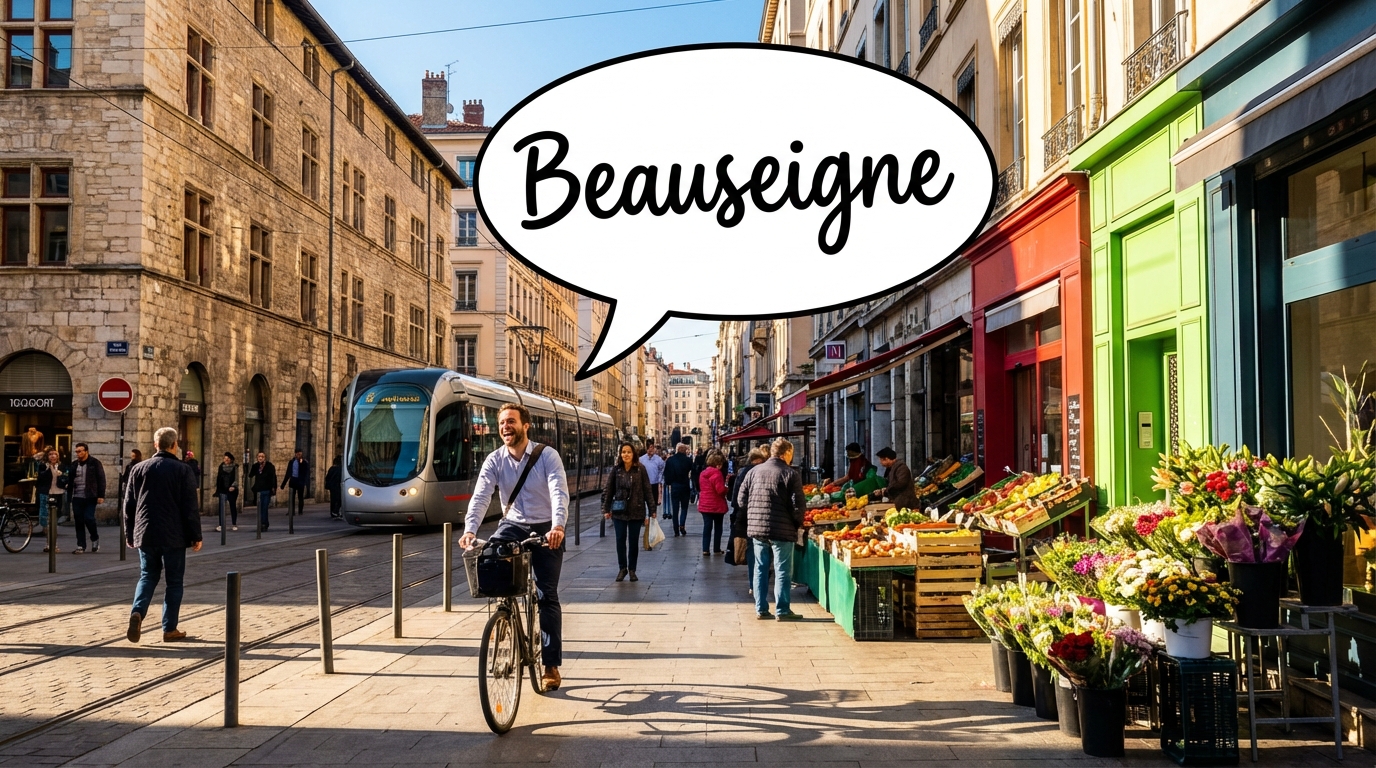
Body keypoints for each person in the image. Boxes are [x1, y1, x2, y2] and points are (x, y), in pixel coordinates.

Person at [460, 402, 570, 692]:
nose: (505, 427)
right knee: (491, 559)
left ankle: (550, 665)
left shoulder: (547, 456)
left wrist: (558, 526)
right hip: (513, 524)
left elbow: (559, 491)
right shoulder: (495, 460)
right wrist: (470, 529)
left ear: (525, 425)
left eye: (511, 421)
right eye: (502, 423)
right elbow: (481, 495)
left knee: (546, 595)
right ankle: (503, 619)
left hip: (546, 526)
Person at [124, 427, 202, 643]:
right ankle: (169, 629)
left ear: (155, 445)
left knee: (148, 575)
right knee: (174, 581)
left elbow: (128, 505)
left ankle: (137, 612)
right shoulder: (182, 470)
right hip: (174, 535)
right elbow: (190, 506)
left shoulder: (138, 469)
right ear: (174, 445)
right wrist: (196, 535)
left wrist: (129, 534)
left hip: (146, 533)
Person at [738, 438, 806, 621]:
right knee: (782, 569)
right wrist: (797, 522)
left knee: (760, 568)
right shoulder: (790, 474)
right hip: (782, 529)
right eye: (791, 454)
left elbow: (741, 500)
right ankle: (782, 610)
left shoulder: (754, 472)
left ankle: (761, 609)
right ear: (786, 454)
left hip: (757, 527)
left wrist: (754, 512)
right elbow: (798, 504)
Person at [602, 442, 655, 582]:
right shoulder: (616, 470)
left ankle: (632, 569)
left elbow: (647, 489)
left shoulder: (640, 469)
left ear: (633, 454)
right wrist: (606, 509)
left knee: (633, 542)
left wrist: (652, 509)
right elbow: (609, 490)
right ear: (620, 454)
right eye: (623, 452)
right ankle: (622, 568)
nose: (626, 455)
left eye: (629, 452)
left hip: (636, 510)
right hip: (619, 511)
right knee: (620, 540)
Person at [729, 448, 768, 588]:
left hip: (745, 516)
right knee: (762, 548)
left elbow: (737, 498)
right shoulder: (761, 472)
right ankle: (759, 581)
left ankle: (754, 583)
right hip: (760, 515)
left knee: (752, 548)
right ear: (759, 460)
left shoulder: (742, 472)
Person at [68, 442, 107, 554]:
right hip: (77, 496)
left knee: (89, 518)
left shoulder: (94, 463)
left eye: (80, 451)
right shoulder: (74, 464)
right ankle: (81, 545)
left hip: (91, 495)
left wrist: (101, 495)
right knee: (78, 520)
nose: (78, 453)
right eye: (76, 451)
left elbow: (101, 479)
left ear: (86, 451)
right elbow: (70, 480)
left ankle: (94, 538)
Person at [35, 449, 69, 551]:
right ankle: (49, 543)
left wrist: (63, 476)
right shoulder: (43, 466)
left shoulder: (62, 466)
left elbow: (67, 477)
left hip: (58, 493)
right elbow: (41, 478)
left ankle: (53, 545)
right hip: (46, 493)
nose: (53, 456)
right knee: (46, 519)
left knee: (54, 520)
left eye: (55, 454)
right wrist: (49, 469)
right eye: (50, 454)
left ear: (58, 456)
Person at [697, 452, 729, 556]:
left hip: (705, 504)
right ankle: (716, 548)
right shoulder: (717, 474)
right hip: (716, 505)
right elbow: (720, 490)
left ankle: (705, 549)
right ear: (718, 463)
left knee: (707, 527)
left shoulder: (703, 473)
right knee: (718, 527)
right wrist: (727, 488)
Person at [663, 443, 694, 537]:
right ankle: (682, 525)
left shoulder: (670, 460)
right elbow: (693, 471)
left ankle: (676, 529)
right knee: (684, 507)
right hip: (684, 485)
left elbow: (666, 474)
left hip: (674, 486)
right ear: (685, 451)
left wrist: (669, 483)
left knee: (675, 508)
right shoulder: (688, 460)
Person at [248, 452, 277, 531]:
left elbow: (273, 477)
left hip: (267, 489)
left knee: (264, 508)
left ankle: (264, 524)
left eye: (262, 456)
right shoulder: (255, 466)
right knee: (260, 508)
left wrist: (274, 487)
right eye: (259, 456)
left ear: (265, 457)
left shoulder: (270, 466)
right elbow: (250, 475)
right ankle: (262, 523)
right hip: (258, 490)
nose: (260, 458)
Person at [280, 448, 310, 517]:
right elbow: (288, 473)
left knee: (300, 497)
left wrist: (305, 483)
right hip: (293, 481)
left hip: (300, 482)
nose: (299, 456)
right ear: (295, 454)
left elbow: (306, 473)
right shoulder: (291, 462)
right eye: (298, 454)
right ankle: (291, 511)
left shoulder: (304, 462)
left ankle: (300, 511)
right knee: (291, 497)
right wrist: (283, 484)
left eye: (300, 454)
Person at [640, 441, 666, 518]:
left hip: (654, 484)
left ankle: (653, 516)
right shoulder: (641, 460)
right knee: (643, 502)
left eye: (652, 448)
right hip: (644, 484)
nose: (651, 450)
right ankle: (644, 517)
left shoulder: (658, 459)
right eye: (649, 448)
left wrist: (659, 478)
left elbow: (662, 468)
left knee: (653, 503)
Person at [215, 452, 239, 531]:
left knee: (232, 506)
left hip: (232, 490)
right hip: (223, 489)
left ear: (231, 460)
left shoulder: (235, 467)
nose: (226, 460)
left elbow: (236, 478)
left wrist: (233, 486)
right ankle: (221, 524)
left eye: (227, 459)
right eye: (225, 459)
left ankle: (234, 524)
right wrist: (218, 490)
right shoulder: (221, 467)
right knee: (221, 507)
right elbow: (218, 478)